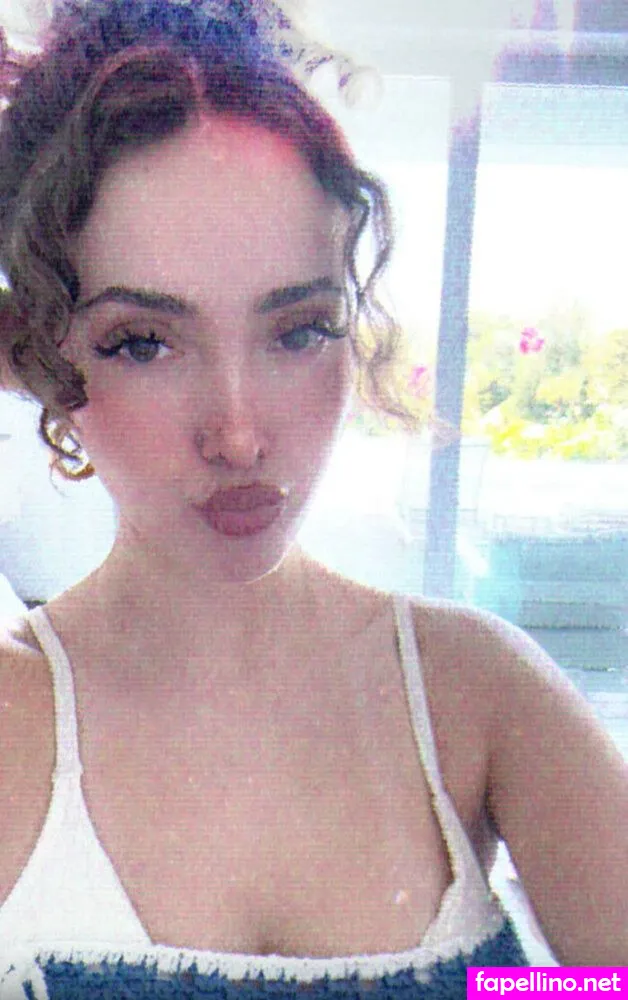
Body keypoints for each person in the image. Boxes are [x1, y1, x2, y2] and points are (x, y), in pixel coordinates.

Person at [0, 0, 626, 995]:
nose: (238, 432)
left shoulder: (476, 693)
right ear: (43, 352)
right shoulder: (14, 719)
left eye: (298, 330)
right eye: (145, 341)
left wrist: (509, 992)